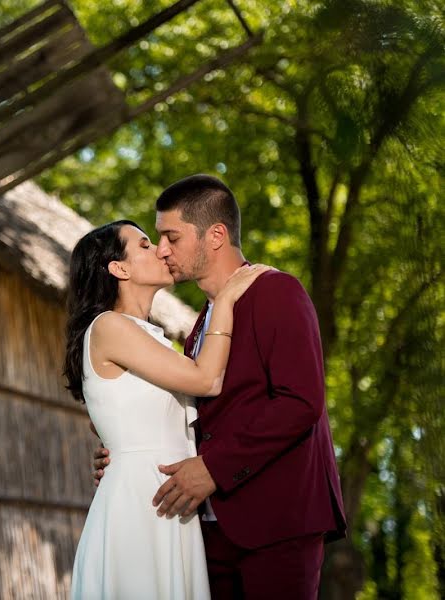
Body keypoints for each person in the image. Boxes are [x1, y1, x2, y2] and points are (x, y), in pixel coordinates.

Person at [91, 175, 347, 599]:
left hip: (278, 524)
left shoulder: (277, 291)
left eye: (171, 236)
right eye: (158, 239)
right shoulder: (199, 328)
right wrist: (124, 456)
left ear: (215, 235)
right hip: (212, 532)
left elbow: (300, 402)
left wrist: (214, 468)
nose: (163, 249)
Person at [65, 218, 272, 599]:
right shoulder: (109, 326)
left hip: (171, 499)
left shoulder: (150, 337)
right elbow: (206, 380)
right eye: (144, 245)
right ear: (119, 268)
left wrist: (114, 445)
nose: (161, 249)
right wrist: (225, 298)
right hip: (141, 504)